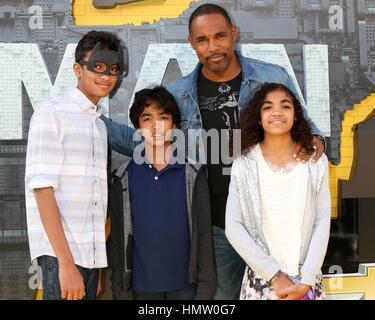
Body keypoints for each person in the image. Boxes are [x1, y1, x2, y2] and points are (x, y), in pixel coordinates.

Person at [101, 3, 326, 299]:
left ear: (233, 34)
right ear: (191, 43)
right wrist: (91, 120)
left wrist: (316, 141)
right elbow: (148, 140)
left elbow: (305, 130)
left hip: (274, 227)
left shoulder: (271, 77)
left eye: (220, 36)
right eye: (202, 40)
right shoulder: (180, 94)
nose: (213, 47)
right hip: (219, 227)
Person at [25, 30, 125, 300]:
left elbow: (94, 203)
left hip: (90, 260)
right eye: (98, 67)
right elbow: (43, 191)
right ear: (77, 69)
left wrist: (96, 269)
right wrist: (67, 266)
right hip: (62, 258)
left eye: (113, 69)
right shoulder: (52, 113)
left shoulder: (99, 126)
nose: (106, 76)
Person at [108, 86, 216, 300]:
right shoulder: (123, 177)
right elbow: (118, 240)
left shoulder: (193, 173)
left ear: (174, 125)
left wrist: (205, 291)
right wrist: (120, 290)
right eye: (147, 119)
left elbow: (203, 235)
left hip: (186, 288)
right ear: (138, 127)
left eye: (163, 118)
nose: (155, 126)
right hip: (141, 288)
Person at [225, 83, 331, 300]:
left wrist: (307, 280)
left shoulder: (315, 161)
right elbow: (233, 227)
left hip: (306, 282)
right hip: (262, 282)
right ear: (258, 117)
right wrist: (274, 276)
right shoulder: (244, 163)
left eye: (285, 106)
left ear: (295, 115)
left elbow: (322, 221)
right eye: (267, 107)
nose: (277, 112)